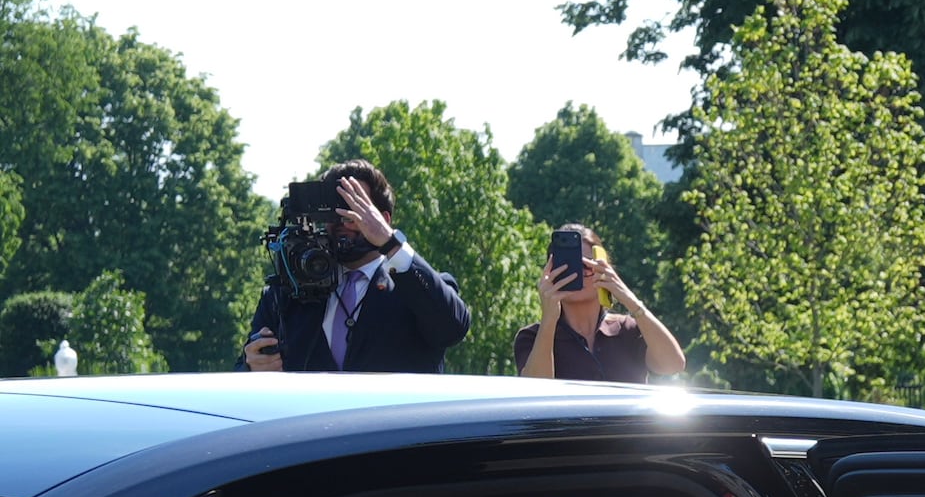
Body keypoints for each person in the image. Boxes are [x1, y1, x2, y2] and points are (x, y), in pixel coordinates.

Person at [244, 161, 469, 374]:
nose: (343, 222)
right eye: (334, 212)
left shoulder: (418, 288)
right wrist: (252, 366)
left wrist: (390, 242)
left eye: (354, 210)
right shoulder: (287, 294)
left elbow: (453, 329)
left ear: (383, 220)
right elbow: (242, 374)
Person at [511, 227, 686, 382]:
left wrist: (631, 301)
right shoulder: (533, 337)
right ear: (549, 272)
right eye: (566, 266)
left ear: (604, 270)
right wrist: (548, 319)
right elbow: (536, 390)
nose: (576, 274)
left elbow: (673, 365)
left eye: (585, 266)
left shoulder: (629, 329)